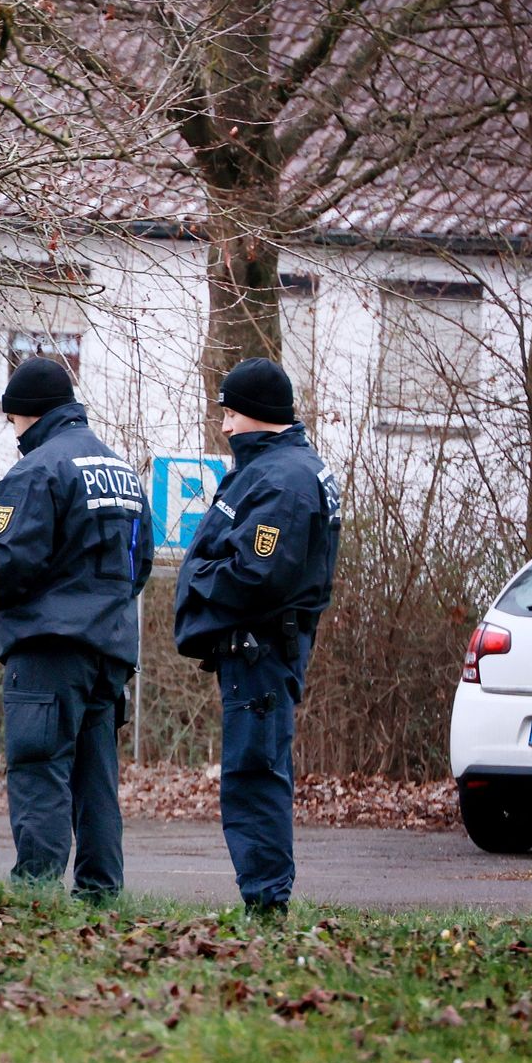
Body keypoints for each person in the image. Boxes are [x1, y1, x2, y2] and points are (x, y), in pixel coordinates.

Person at [174, 358, 342, 918]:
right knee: (256, 770)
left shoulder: (284, 480)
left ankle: (266, 904)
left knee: (254, 775)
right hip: (259, 648)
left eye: (231, 412)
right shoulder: (277, 469)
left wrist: (196, 577)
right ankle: (264, 898)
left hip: (261, 650)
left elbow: (255, 573)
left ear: (258, 415)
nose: (224, 425)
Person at [0, 358, 153, 900]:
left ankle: (36, 895)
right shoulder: (122, 472)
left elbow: (6, 566)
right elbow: (140, 564)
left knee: (39, 770)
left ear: (26, 415)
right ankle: (101, 894)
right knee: (95, 781)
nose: (13, 435)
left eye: (12, 423)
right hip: (109, 651)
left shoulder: (34, 472)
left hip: (48, 649)